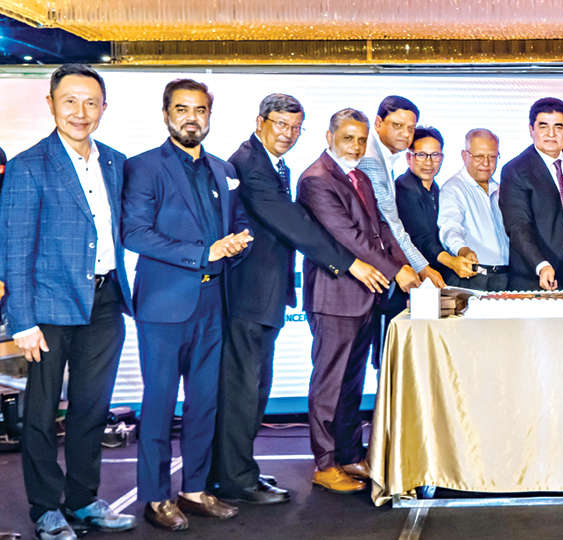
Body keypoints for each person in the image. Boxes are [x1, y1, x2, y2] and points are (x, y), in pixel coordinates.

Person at [211, 94, 386, 505]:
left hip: (267, 294)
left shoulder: (276, 164)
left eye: (294, 127)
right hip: (250, 294)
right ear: (260, 122)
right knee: (243, 391)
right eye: (280, 124)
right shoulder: (251, 163)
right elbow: (292, 223)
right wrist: (350, 264)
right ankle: (235, 479)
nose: (288, 134)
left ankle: (242, 472)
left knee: (256, 388)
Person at [1, 63, 135, 540]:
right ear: (51, 104)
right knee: (40, 415)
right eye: (70, 101)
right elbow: (14, 249)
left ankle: (82, 499)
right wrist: (22, 320)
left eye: (90, 102)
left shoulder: (117, 162)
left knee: (91, 409)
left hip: (105, 302)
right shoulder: (28, 166)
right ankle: (45, 509)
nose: (81, 112)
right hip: (48, 308)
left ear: (103, 107)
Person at [123, 78, 251, 531]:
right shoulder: (143, 166)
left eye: (200, 110)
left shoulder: (222, 168)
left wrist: (240, 243)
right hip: (164, 305)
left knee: (204, 402)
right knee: (159, 403)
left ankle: (194, 489)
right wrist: (203, 253)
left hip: (214, 301)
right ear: (166, 114)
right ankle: (156, 497)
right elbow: (134, 233)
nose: (191, 118)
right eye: (182, 109)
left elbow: (237, 223)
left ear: (209, 116)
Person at [297, 108, 420, 494]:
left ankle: (349, 455)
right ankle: (325, 463)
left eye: (361, 140)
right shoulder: (316, 179)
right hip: (334, 295)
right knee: (329, 383)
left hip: (366, 295)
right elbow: (349, 237)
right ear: (329, 137)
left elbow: (381, 228)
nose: (355, 146)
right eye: (347, 138)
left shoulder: (361, 177)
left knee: (351, 383)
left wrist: (404, 264)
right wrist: (396, 271)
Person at [355, 96, 443, 365]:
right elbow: (391, 224)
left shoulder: (385, 160)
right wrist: (422, 267)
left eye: (410, 127)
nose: (405, 133)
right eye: (397, 125)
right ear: (378, 123)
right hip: (373, 276)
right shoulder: (371, 160)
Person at [500, 97, 563, 291]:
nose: (551, 134)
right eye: (543, 126)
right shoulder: (515, 170)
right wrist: (541, 265)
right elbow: (518, 227)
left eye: (558, 127)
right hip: (536, 277)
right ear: (531, 129)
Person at [395, 126, 476, 283]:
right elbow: (420, 238)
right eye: (421, 155)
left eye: (435, 155)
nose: (429, 162)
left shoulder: (436, 189)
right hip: (414, 277)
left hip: (438, 274)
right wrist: (451, 261)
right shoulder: (403, 188)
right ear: (409, 157)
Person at [437, 128, 510, 291]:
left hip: (506, 277)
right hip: (474, 276)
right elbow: (450, 227)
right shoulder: (453, 189)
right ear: (464, 155)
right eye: (479, 156)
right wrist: (462, 250)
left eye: (492, 157)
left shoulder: (501, 189)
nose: (486, 163)